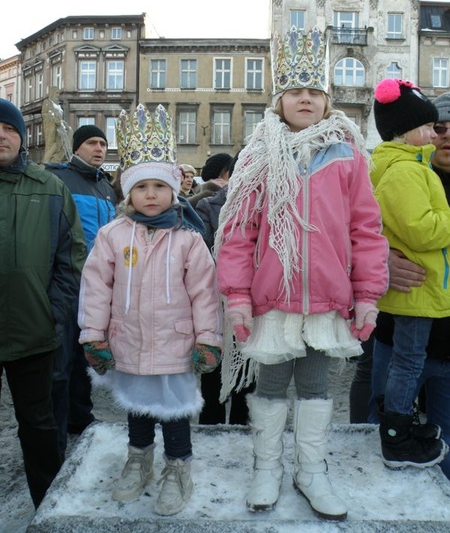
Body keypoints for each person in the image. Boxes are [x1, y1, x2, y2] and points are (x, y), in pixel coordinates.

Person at [214, 26, 388, 521]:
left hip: (327, 301)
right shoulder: (257, 157)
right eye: (296, 91)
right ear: (280, 100)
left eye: (314, 92)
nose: (306, 99)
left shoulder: (348, 155)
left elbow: (367, 231)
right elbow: (238, 234)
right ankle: (267, 466)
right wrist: (238, 297)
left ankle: (311, 469)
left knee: (316, 389)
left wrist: (368, 294)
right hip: (273, 301)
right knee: (270, 389)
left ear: (327, 101)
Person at [77, 103, 223, 516]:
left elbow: (204, 293)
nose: (151, 195)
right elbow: (96, 288)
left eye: (159, 186)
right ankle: (138, 459)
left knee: (174, 413)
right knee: (137, 408)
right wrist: (93, 334)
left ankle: (178, 468)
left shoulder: (188, 239)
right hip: (128, 341)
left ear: (173, 191)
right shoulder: (112, 235)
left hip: (175, 345)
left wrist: (208, 338)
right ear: (128, 192)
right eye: (142, 187)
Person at [350, 91, 450, 480]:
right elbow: (354, 231)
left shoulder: (407, 168)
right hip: (406, 320)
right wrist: (381, 258)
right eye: (435, 128)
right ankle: (394, 437)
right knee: (375, 436)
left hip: (442, 333)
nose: (442, 136)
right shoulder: (406, 171)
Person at [0, 99, 86, 508]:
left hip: (34, 333)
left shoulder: (49, 187)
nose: (2, 135)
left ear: (21, 137)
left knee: (38, 426)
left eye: (10, 129)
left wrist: (55, 313)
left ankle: (49, 508)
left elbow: (72, 259)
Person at [45, 125, 117, 455]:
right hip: (68, 280)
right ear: (77, 148)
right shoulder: (59, 180)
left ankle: (80, 417)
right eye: (92, 142)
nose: (99, 148)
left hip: (98, 283)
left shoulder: (105, 185)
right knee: (61, 358)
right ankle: (54, 428)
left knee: (85, 353)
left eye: (103, 143)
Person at [195, 152, 255, 425]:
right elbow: (200, 257)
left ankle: (242, 430)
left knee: (249, 376)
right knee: (214, 375)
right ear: (229, 174)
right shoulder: (208, 206)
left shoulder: (271, 205)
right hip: (217, 304)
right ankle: (211, 431)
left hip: (256, 306)